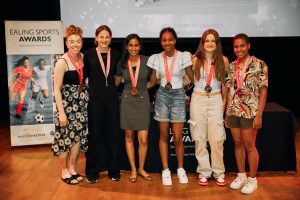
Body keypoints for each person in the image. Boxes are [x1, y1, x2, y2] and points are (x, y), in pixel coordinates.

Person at [146, 27, 194, 186]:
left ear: (175, 40)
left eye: (170, 39)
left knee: (178, 137)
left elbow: (191, 76)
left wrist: (202, 84)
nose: (167, 42)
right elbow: (153, 81)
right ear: (161, 42)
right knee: (164, 136)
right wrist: (135, 88)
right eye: (164, 40)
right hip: (162, 96)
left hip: (178, 96)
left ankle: (181, 169)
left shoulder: (183, 56)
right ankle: (165, 170)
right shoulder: (155, 58)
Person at [225, 33, 268, 194]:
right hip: (233, 110)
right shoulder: (231, 66)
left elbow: (263, 91)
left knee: (250, 145)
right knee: (237, 144)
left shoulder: (260, 64)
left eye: (242, 45)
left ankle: (252, 179)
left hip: (250, 111)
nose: (239, 49)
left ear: (248, 45)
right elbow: (228, 90)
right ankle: (241, 175)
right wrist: (226, 112)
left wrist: (259, 114)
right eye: (236, 46)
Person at [188, 29, 228, 186]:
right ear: (202, 43)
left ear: (217, 43)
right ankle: (204, 171)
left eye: (213, 41)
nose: (210, 43)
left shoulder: (223, 60)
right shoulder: (194, 59)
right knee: (199, 138)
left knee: (217, 139)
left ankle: (219, 172)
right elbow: (187, 80)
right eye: (207, 41)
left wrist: (224, 104)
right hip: (198, 99)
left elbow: (225, 84)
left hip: (216, 99)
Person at [115, 34, 156, 183]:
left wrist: (143, 89)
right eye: (130, 45)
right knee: (129, 137)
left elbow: (153, 80)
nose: (133, 48)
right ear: (127, 46)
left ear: (140, 46)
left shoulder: (147, 61)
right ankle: (133, 168)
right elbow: (117, 82)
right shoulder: (121, 63)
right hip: (127, 101)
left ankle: (141, 168)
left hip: (143, 100)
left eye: (136, 45)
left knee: (143, 139)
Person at [51, 25, 89, 185]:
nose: (75, 44)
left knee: (77, 140)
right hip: (67, 107)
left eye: (78, 41)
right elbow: (56, 89)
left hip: (81, 107)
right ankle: (64, 171)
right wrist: (61, 113)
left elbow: (84, 80)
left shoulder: (82, 57)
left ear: (81, 42)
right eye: (72, 42)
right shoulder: (62, 61)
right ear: (67, 43)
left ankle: (73, 168)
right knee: (65, 140)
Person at [84, 25, 121, 184]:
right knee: (95, 136)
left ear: (110, 38)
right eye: (101, 37)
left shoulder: (117, 54)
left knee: (113, 136)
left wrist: (114, 85)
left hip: (112, 99)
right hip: (95, 101)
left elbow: (118, 76)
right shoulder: (89, 54)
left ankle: (114, 170)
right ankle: (92, 171)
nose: (104, 40)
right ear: (96, 38)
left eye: (107, 37)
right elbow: (83, 76)